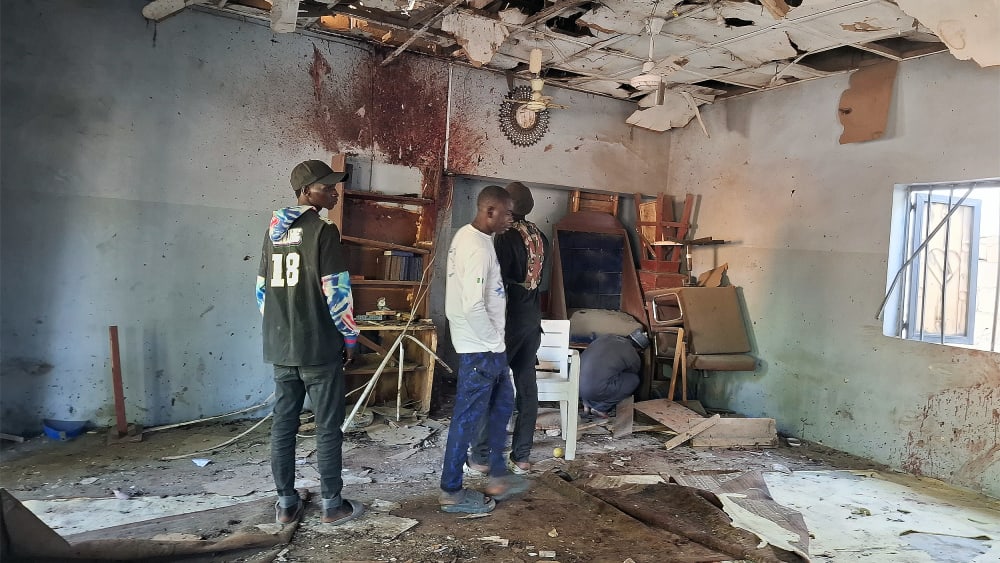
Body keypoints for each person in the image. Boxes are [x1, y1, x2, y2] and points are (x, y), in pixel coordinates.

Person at [256, 159, 364, 526]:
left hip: (281, 347)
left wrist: (281, 328)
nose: (334, 192)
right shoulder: (323, 231)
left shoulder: (272, 233)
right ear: (305, 193)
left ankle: (286, 503)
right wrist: (350, 335)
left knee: (283, 425)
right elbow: (336, 290)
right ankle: (333, 504)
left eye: (334, 186)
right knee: (327, 426)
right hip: (318, 347)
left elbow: (260, 292)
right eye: (326, 187)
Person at [439, 185, 528, 514]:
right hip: (482, 347)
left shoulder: (469, 237)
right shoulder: (476, 247)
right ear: (489, 211)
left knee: (503, 403)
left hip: (484, 343)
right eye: (506, 214)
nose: (510, 220)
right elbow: (472, 305)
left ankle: (491, 469)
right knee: (466, 417)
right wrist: (493, 345)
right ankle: (451, 490)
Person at [467, 182, 547, 475]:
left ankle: (481, 458)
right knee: (527, 387)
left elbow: (494, 285)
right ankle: (522, 457)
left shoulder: (505, 237)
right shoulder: (540, 237)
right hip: (531, 319)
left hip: (507, 320)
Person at [579, 328, 650, 418]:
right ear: (639, 349)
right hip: (594, 390)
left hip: (576, 386)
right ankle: (600, 408)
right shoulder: (632, 353)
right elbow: (633, 371)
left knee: (592, 374)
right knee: (633, 380)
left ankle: (586, 403)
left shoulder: (607, 337)